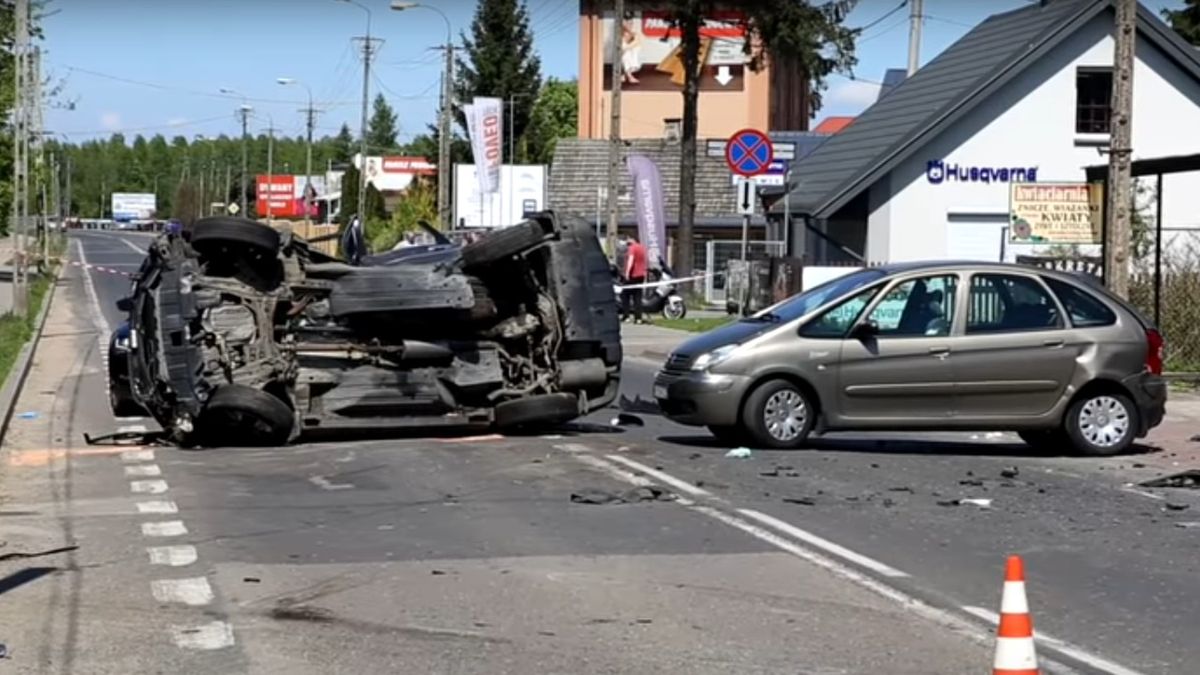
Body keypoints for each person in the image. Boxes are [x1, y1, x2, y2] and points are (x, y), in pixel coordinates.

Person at [624, 233, 648, 324]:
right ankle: (638, 318)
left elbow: (631, 259)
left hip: (633, 274)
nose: (627, 241)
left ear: (631, 239)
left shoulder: (632, 248)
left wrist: (627, 272)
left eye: (627, 238)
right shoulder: (642, 248)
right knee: (637, 296)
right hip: (641, 274)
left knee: (625, 294)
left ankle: (626, 316)